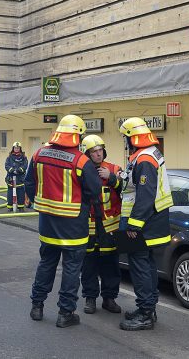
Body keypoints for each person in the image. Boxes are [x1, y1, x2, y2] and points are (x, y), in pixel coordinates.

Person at [24, 115, 101, 328]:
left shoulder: (39, 154)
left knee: (46, 262)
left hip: (47, 222)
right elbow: (94, 191)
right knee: (71, 268)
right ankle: (65, 313)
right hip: (74, 224)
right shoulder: (81, 160)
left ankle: (37, 306)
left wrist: (40, 201)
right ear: (78, 135)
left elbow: (28, 183)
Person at [117, 117, 173, 330]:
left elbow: (145, 196)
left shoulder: (145, 159)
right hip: (150, 222)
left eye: (126, 137)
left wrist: (133, 226)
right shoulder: (148, 154)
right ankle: (148, 308)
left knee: (140, 266)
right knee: (146, 265)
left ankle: (145, 313)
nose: (125, 141)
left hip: (141, 224)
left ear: (132, 138)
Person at [79, 134, 123, 315]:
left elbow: (128, 189)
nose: (98, 154)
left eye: (100, 150)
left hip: (110, 227)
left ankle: (109, 298)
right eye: (93, 151)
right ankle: (90, 299)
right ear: (87, 154)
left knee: (110, 263)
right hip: (88, 226)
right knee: (89, 264)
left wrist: (112, 178)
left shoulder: (114, 168)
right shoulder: (81, 170)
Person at [4, 142, 28, 212]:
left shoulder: (23, 157)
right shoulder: (9, 157)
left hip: (20, 178)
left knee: (21, 193)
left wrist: (18, 170)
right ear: (13, 148)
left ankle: (20, 207)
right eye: (15, 148)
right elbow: (6, 165)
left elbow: (25, 165)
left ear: (20, 149)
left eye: (18, 148)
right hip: (11, 178)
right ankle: (10, 207)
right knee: (10, 193)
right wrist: (12, 170)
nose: (16, 149)